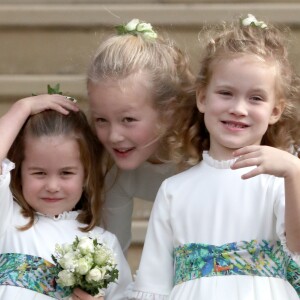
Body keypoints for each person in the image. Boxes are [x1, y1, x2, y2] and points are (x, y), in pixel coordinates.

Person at [128, 14, 300, 299]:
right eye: (226, 93)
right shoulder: (175, 190)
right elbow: (153, 283)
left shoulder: (281, 181)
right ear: (203, 98)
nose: (239, 108)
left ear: (275, 111)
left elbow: (298, 245)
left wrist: (294, 172)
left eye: (255, 98)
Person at [0, 94, 132, 299]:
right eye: (39, 173)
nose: (52, 186)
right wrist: (22, 108)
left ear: (86, 175)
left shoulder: (104, 244)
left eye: (66, 173)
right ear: (19, 172)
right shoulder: (8, 219)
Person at [86, 18, 196, 253]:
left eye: (128, 120)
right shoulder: (113, 168)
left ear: (169, 111)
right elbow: (112, 251)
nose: (114, 136)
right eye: (101, 120)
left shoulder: (204, 155)